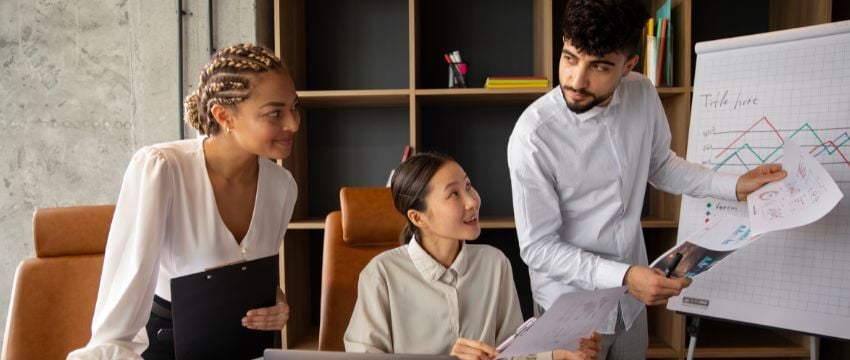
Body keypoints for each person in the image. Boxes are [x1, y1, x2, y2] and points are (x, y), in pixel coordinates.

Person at [506, 1, 787, 359]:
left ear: (629, 66)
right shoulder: (534, 135)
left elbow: (661, 166)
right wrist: (625, 275)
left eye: (599, 66)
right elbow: (538, 248)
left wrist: (732, 185)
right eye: (570, 58)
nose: (576, 80)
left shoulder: (642, 92)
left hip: (630, 303)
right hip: (570, 306)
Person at [68, 43, 300, 359]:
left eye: (294, 107)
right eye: (275, 112)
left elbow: (255, 277)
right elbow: (119, 314)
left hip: (248, 347)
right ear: (223, 115)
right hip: (166, 348)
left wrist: (277, 305)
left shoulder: (282, 186)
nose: (293, 124)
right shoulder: (161, 169)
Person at [344, 152, 601, 360]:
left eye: (468, 186)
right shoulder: (381, 274)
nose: (473, 201)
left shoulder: (494, 263)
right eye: (454, 194)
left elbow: (511, 351)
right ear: (417, 217)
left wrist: (559, 354)